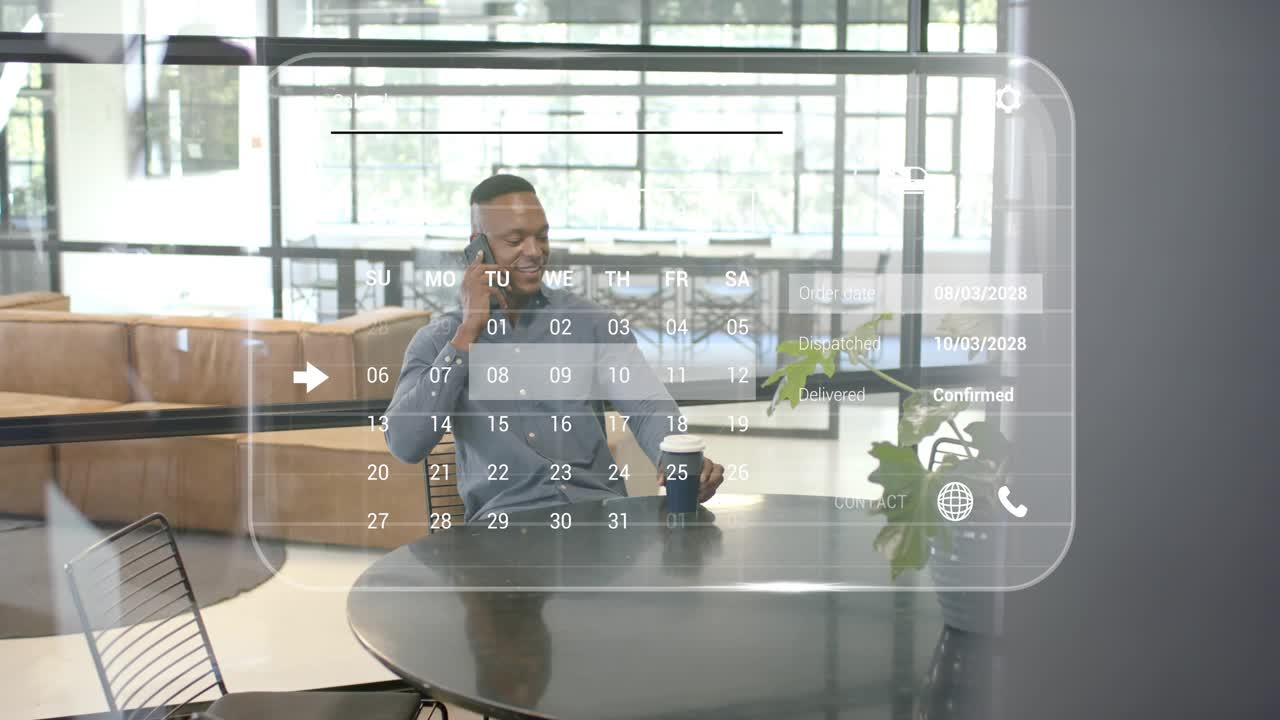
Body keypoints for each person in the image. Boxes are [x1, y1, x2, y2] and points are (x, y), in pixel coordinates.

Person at [385, 174, 724, 522]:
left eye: (542, 236)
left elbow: (647, 405)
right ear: (479, 247)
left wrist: (674, 457)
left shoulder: (591, 324)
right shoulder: (441, 340)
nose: (534, 252)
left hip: (600, 523)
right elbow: (405, 443)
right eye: (516, 240)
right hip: (503, 532)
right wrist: (468, 332)